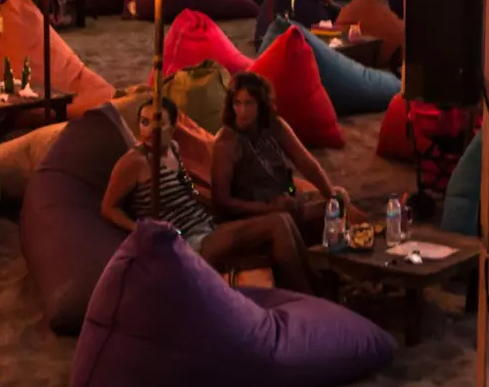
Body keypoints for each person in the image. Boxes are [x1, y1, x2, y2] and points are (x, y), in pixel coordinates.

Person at [106, 98, 312, 291]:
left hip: (207, 226)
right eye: (144, 122)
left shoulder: (173, 150)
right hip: (187, 242)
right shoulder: (134, 163)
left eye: (158, 122)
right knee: (276, 224)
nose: (150, 130)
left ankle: (313, 288)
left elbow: (190, 192)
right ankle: (306, 297)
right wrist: (142, 230)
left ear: (174, 126)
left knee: (284, 220)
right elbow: (108, 207)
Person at [212, 72, 346, 241]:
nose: (242, 111)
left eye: (249, 103)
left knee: (340, 198)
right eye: (237, 103)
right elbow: (222, 201)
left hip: (285, 199)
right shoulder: (227, 142)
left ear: (261, 104)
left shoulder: (274, 125)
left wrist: (331, 196)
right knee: (284, 220)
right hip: (254, 213)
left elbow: (306, 164)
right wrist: (269, 208)